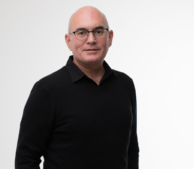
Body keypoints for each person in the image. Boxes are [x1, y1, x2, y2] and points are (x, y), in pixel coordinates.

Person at [15, 6, 139, 169]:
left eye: (98, 31)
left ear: (110, 37)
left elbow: (131, 149)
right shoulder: (47, 90)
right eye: (81, 33)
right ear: (68, 41)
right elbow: (26, 159)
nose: (91, 40)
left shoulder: (125, 85)